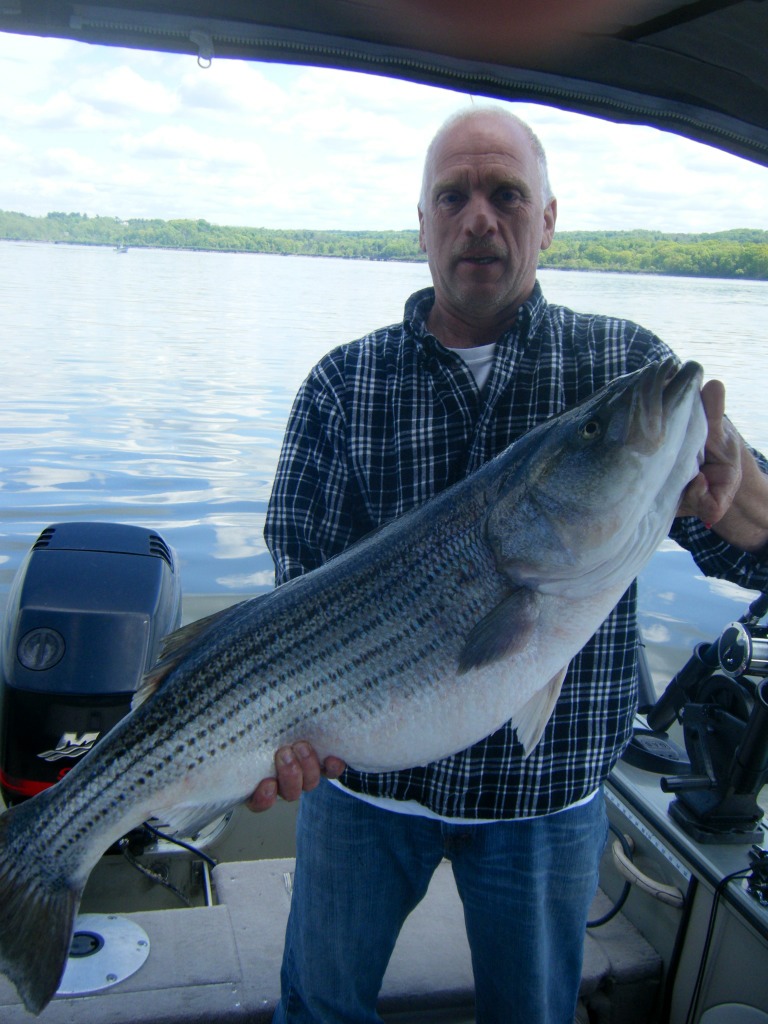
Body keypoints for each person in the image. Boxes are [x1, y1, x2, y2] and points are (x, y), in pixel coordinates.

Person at [249, 107, 768, 1023]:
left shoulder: (623, 366)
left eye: (507, 195)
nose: (478, 218)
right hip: (364, 793)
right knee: (319, 1011)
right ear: (422, 225)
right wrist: (275, 731)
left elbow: (753, 548)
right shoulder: (343, 384)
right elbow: (296, 598)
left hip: (548, 800)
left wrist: (736, 481)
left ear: (548, 220)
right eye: (452, 197)